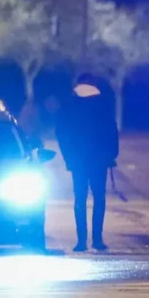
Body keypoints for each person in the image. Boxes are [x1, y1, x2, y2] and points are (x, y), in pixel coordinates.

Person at [55, 75, 119, 253]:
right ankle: (97, 239)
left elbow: (61, 131)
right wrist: (111, 154)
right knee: (99, 197)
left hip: (78, 158)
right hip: (99, 158)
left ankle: (81, 241)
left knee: (80, 198)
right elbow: (111, 130)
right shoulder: (102, 103)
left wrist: (68, 155)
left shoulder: (69, 103)